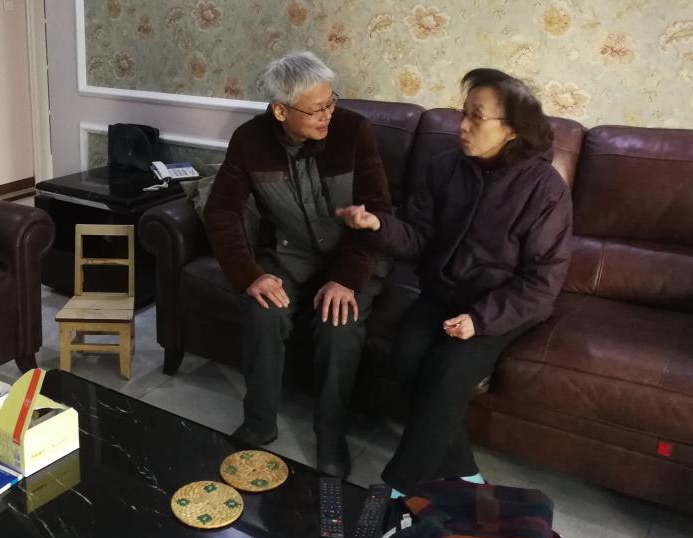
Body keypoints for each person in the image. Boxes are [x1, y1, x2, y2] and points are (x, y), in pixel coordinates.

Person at [338, 68, 573, 495]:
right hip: (443, 294)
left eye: (476, 117)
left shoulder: (545, 189)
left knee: (446, 371)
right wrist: (378, 226)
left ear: (513, 130)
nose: (461, 126)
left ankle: (399, 486)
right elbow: (418, 237)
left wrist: (479, 320)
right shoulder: (445, 167)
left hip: (502, 305)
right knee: (406, 356)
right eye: (462, 113)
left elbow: (542, 282)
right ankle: (463, 469)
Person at [204, 52, 392, 478]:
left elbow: (378, 210)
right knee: (262, 310)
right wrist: (249, 275)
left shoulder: (354, 131)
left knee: (339, 322)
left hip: (353, 256)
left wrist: (346, 279)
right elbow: (221, 212)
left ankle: (331, 435)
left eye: (331, 102)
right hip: (289, 255)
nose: (328, 114)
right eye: (316, 108)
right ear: (280, 111)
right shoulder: (250, 140)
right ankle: (259, 424)